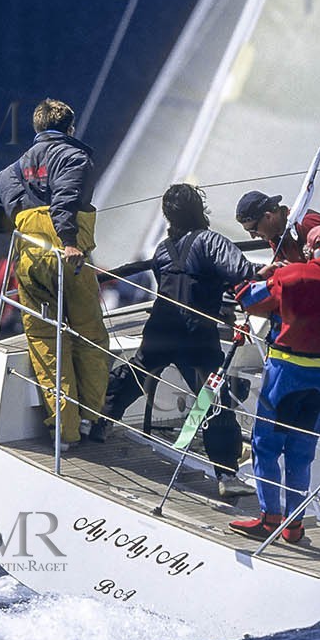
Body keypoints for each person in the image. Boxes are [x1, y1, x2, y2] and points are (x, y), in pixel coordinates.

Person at [103, 184, 255, 493]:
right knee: (212, 399)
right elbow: (241, 271)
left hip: (161, 327)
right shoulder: (211, 241)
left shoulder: (162, 249)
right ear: (199, 209)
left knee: (136, 373)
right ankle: (226, 475)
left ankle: (96, 423)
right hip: (197, 335)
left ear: (168, 215)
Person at [0, 98, 109, 449]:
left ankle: (63, 434)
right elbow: (65, 201)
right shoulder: (74, 157)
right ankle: (88, 419)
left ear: (37, 129)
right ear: (71, 127)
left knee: (46, 343)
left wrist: (22, 223)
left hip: (28, 256)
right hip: (69, 254)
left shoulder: (10, 171)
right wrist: (67, 241)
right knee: (89, 335)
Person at [230, 225, 320, 543]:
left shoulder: (293, 275)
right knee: (300, 450)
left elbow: (248, 300)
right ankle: (294, 524)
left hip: (285, 372)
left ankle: (269, 519)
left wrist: (259, 276)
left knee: (266, 446)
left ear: (311, 250)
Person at [235, 189, 320, 268]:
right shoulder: (275, 237)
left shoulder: (307, 224)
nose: (253, 236)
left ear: (268, 216)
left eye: (253, 229)